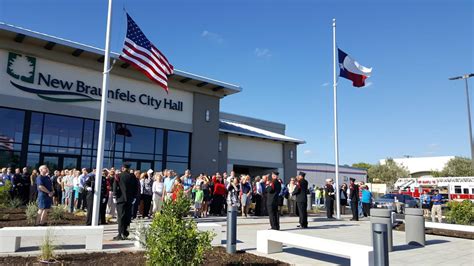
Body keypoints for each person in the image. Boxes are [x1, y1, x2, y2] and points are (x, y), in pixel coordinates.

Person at [113, 162, 138, 240]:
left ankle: (120, 234)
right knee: (127, 217)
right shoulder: (133, 176)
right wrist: (134, 197)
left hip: (121, 199)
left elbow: (115, 186)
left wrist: (114, 196)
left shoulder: (118, 176)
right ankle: (126, 233)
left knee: (121, 217)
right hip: (130, 199)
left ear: (123, 168)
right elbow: (136, 187)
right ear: (129, 168)